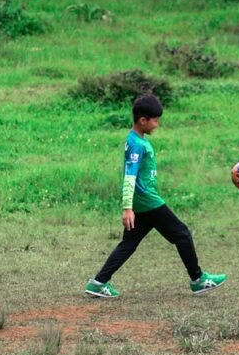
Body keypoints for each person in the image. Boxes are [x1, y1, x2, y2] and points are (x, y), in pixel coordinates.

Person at [85, 94, 226, 298]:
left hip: (142, 203)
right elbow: (129, 176)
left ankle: (98, 283)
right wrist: (127, 207)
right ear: (143, 120)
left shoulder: (137, 139)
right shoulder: (136, 145)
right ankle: (198, 280)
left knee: (129, 244)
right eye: (155, 120)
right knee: (182, 234)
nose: (157, 124)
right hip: (147, 201)